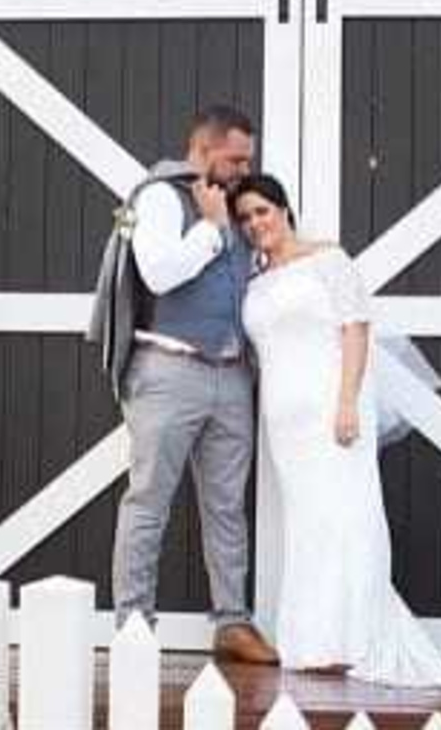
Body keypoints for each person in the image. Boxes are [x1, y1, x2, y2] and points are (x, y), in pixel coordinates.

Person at [230, 173, 441, 687]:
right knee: (309, 523)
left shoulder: (328, 261)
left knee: (348, 516)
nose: (254, 224)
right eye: (245, 218)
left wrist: (348, 401)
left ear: (285, 210)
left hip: (331, 409)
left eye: (262, 212)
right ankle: (315, 642)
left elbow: (356, 327)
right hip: (283, 422)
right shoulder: (255, 279)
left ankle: (358, 637)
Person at [106, 103, 279, 665]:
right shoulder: (161, 198)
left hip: (231, 376)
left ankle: (232, 621)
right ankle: (134, 623)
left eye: (248, 158)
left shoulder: (239, 208)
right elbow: (158, 272)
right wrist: (210, 229)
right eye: (235, 158)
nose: (244, 167)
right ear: (202, 151)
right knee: (148, 500)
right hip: (169, 371)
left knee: (228, 506)